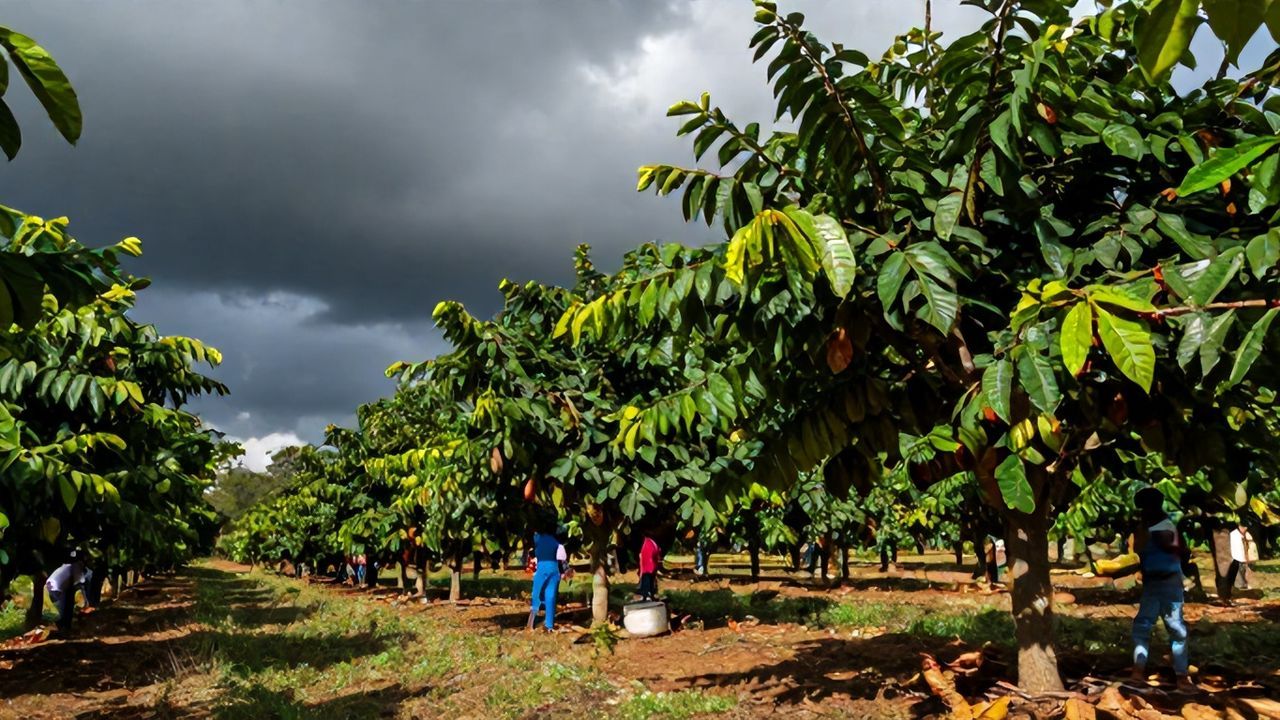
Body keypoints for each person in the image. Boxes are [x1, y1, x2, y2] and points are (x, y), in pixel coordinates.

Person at [1131, 487, 1194, 690]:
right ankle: (1141, 671)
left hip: (1166, 585)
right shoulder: (1155, 527)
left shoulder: (1162, 529)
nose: (1142, 512)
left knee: (1172, 628)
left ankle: (1180, 675)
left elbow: (1174, 554)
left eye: (1144, 508)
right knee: (1154, 627)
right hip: (1160, 585)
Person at [527, 527, 562, 631]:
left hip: (542, 566)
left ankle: (531, 624)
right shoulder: (556, 540)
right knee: (550, 596)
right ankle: (549, 626)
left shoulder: (538, 538)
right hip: (554, 568)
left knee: (536, 594)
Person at [45, 553, 87, 633]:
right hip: (57, 588)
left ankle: (62, 625)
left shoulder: (66, 566)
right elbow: (82, 582)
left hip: (51, 587)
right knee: (67, 607)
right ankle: (65, 627)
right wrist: (85, 599)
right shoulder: (76, 566)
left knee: (62, 607)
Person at [1228, 524, 1252, 590]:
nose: (1246, 528)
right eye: (1244, 527)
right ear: (1239, 526)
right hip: (1236, 557)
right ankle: (1240, 585)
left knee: (1243, 571)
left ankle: (1242, 584)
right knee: (1238, 572)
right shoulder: (1234, 535)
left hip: (1242, 557)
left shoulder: (1246, 534)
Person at [638, 535, 661, 601]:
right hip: (650, 566)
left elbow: (653, 554)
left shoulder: (648, 542)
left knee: (647, 581)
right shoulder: (651, 543)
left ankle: (647, 595)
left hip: (648, 567)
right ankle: (649, 595)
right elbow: (657, 552)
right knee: (650, 581)